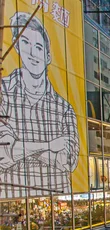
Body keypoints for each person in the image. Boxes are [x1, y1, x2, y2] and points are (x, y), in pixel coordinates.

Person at [0, 13, 80, 199]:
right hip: (12, 197)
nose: (32, 53)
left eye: (38, 47)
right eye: (25, 43)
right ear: (17, 46)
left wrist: (21, 148)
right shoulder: (3, 93)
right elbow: (3, 154)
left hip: (58, 198)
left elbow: (68, 161)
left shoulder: (64, 108)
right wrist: (50, 145)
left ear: (48, 56)